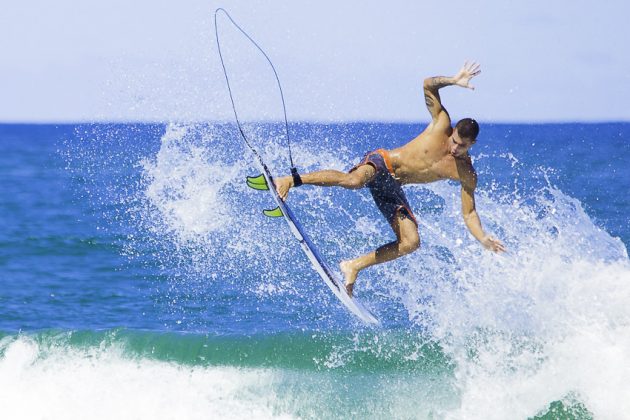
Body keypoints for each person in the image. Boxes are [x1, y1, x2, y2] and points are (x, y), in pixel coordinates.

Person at [275, 62, 505, 297]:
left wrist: (482, 238)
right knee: (354, 181)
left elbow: (469, 213)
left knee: (411, 242)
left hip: (392, 186)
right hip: (382, 161)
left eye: (462, 146)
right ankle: (290, 180)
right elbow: (427, 85)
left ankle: (353, 266)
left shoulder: (466, 172)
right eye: (455, 141)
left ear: (472, 145)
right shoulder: (442, 124)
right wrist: (454, 80)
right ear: (454, 131)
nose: (455, 148)